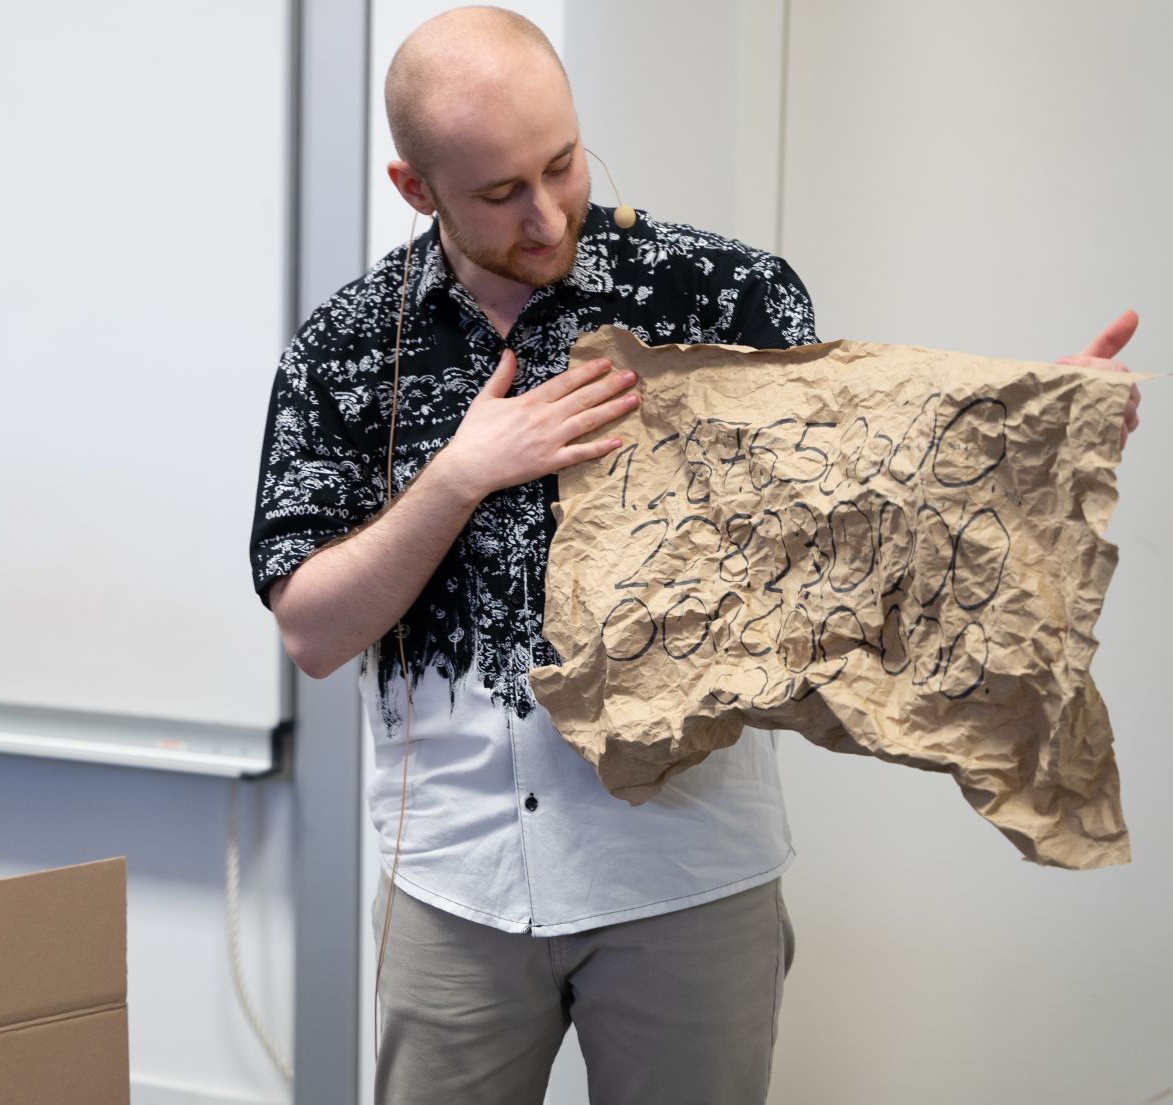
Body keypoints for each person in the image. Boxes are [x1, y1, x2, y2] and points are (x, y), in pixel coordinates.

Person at [249, 7, 1141, 1103]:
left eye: (562, 163)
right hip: (454, 883)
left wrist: (1028, 431)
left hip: (684, 873)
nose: (546, 214)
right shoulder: (344, 349)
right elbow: (313, 631)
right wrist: (459, 475)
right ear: (414, 187)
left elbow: (852, 529)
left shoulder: (721, 294)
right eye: (500, 193)